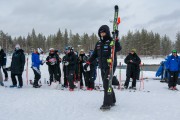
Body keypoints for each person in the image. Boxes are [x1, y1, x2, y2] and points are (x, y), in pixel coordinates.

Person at [84, 25, 121, 109]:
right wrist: (88, 62)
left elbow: (118, 48)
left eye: (103, 32)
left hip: (110, 65)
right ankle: (113, 100)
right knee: (107, 83)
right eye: (100, 32)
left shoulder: (111, 40)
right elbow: (94, 54)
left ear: (107, 32)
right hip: (102, 66)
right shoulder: (99, 43)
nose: (102, 34)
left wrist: (116, 39)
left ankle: (107, 103)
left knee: (106, 84)